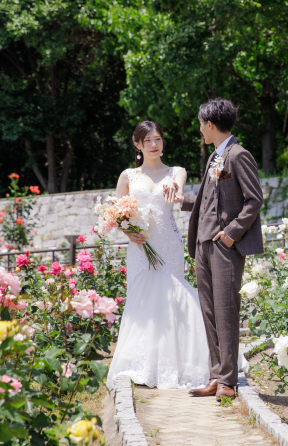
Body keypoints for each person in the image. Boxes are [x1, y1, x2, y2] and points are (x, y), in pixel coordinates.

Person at [166, 98, 263, 399]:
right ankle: (215, 375)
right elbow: (208, 200)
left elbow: (254, 199)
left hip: (224, 247)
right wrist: (181, 200)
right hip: (202, 244)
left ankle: (228, 381)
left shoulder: (238, 155)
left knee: (226, 311)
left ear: (210, 124)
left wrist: (232, 234)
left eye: (200, 125)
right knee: (209, 312)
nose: (200, 130)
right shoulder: (214, 157)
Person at [106, 120, 211, 390]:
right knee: (143, 300)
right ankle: (144, 364)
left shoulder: (177, 172)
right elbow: (115, 213)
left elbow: (179, 189)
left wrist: (175, 190)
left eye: (158, 139)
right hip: (140, 247)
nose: (154, 145)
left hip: (168, 244)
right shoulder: (128, 176)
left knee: (175, 296)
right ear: (138, 145)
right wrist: (128, 232)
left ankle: (181, 363)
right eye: (148, 141)